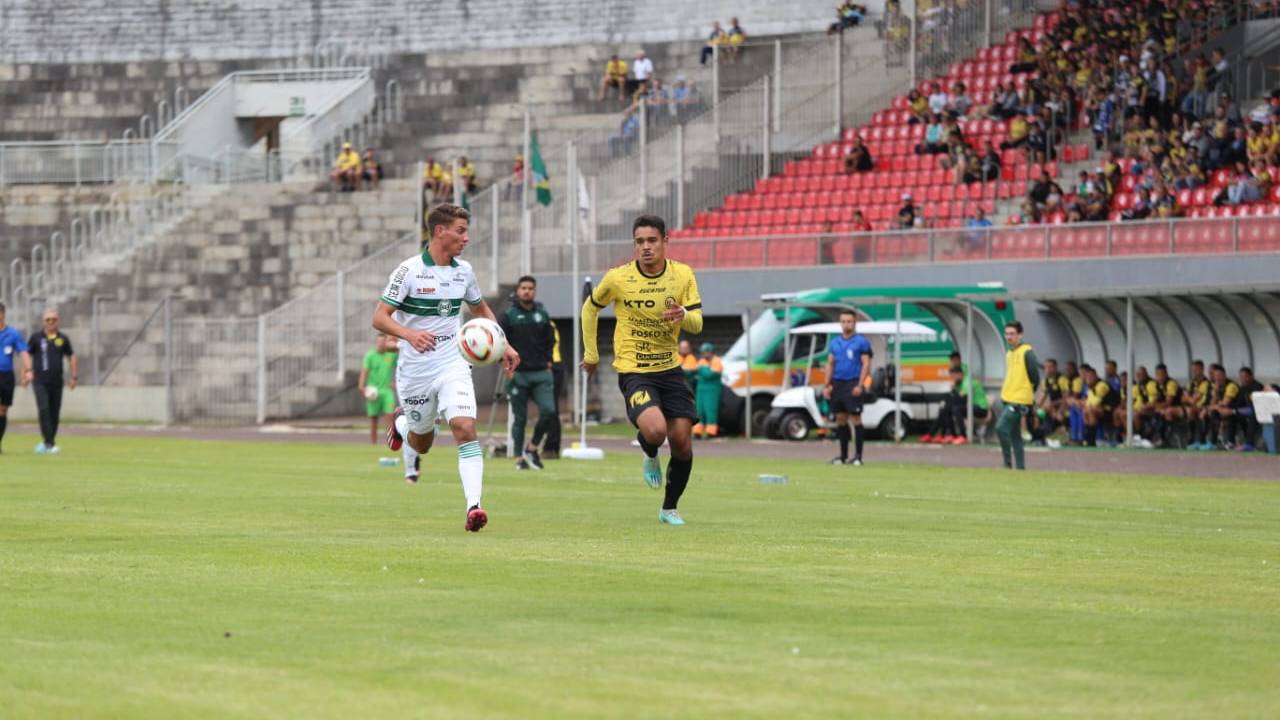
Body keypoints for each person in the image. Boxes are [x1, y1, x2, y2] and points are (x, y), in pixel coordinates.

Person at [375, 203, 520, 532]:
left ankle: (474, 507)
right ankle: (402, 427)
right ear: (439, 231)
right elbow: (379, 317)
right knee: (422, 442)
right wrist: (409, 334)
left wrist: (504, 344)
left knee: (465, 428)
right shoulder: (408, 271)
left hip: (453, 362)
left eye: (466, 231)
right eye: (460, 230)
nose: (466, 238)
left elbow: (481, 310)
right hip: (415, 371)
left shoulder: (463, 272)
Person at [581, 215, 704, 526]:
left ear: (665, 241)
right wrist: (591, 354)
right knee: (656, 431)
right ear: (634, 245)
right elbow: (590, 308)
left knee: (682, 442)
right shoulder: (618, 278)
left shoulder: (683, 275)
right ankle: (650, 454)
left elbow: (698, 323)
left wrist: (682, 315)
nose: (646, 247)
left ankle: (669, 509)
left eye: (652, 240)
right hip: (635, 370)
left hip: (671, 370)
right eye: (639, 242)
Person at [499, 275, 557, 470]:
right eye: (523, 288)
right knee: (520, 418)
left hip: (541, 373)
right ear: (518, 290)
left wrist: (549, 361)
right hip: (518, 375)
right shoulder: (509, 315)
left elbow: (551, 339)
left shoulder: (542, 312)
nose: (527, 291)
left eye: (530, 288)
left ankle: (532, 448)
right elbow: (498, 343)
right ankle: (518, 458)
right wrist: (507, 369)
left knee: (549, 411)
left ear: (535, 290)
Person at [823, 309, 872, 465]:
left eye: (849, 321)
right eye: (843, 321)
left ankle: (858, 457)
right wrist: (827, 385)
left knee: (856, 419)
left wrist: (860, 384)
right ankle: (843, 456)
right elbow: (830, 364)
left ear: (854, 322)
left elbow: (866, 364)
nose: (846, 324)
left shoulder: (861, 342)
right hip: (838, 383)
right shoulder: (835, 342)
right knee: (840, 419)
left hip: (853, 382)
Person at [29, 308, 77, 455]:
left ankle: (47, 443)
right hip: (39, 381)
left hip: (57, 382)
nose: (51, 322)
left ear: (58, 321)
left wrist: (74, 377)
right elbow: (27, 356)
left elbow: (71, 356)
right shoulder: (36, 338)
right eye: (48, 320)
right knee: (44, 409)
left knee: (54, 412)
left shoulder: (61, 339)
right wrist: (26, 373)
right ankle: (50, 444)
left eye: (54, 320)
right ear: (43, 322)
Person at [996, 321, 1039, 470]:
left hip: (1019, 401)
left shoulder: (1027, 352)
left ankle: (1007, 463)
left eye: (1012, 334)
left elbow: (1035, 378)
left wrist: (1027, 397)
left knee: (1001, 428)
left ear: (1020, 335)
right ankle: (1020, 468)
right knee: (1015, 436)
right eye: (1007, 333)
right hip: (1008, 398)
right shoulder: (1009, 353)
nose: (1009, 337)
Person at [0, 302, 33, 454]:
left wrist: (28, 370)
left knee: (3, 410)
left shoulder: (12, 333)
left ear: (3, 313)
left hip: (6, 376)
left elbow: (24, 352)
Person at [358, 333, 397, 444]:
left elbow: (401, 367)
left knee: (390, 417)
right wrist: (361, 386)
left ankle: (391, 443)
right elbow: (364, 371)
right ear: (376, 343)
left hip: (387, 390)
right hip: (373, 392)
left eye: (383, 341)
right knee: (374, 419)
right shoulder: (370, 355)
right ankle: (373, 444)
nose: (381, 344)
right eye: (379, 341)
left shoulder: (391, 355)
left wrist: (395, 381)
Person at [693, 342, 723, 438]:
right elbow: (694, 373)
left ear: (711, 352)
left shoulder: (717, 361)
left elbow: (710, 375)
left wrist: (701, 369)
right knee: (699, 410)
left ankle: (711, 432)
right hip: (701, 389)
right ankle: (698, 431)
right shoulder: (702, 361)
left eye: (705, 352)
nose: (703, 354)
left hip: (712, 389)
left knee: (710, 410)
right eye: (702, 352)